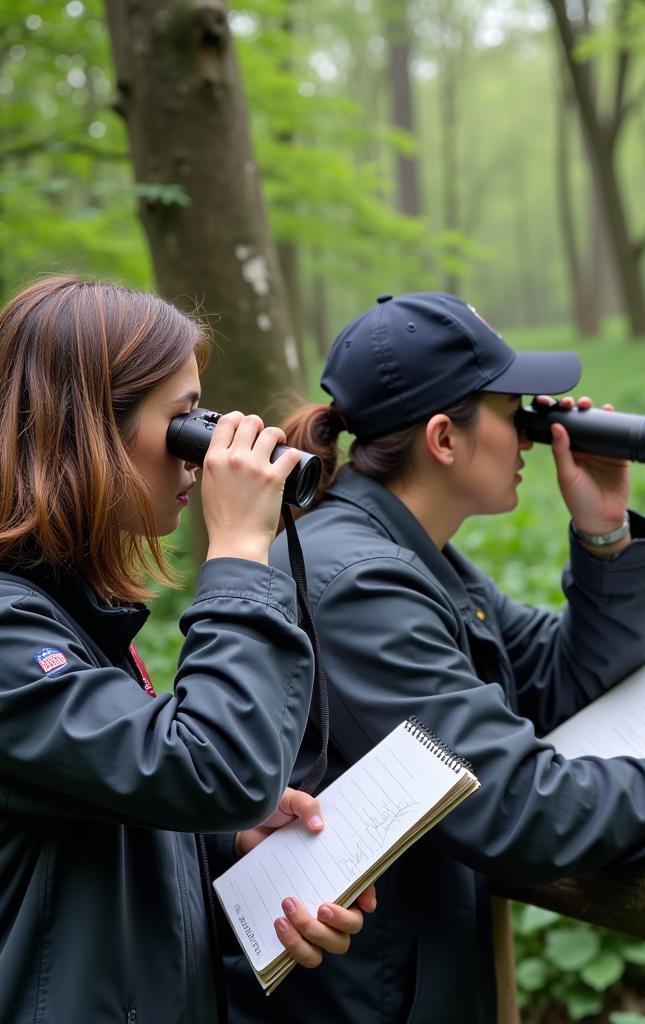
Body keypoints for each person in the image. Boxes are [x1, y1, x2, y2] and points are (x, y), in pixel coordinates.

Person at [224, 292, 645, 1023]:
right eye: (513, 410)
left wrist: (604, 533)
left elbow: (561, 682)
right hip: (364, 1000)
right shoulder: (359, 584)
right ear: (444, 440)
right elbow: (511, 807)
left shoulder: (411, 556)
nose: (530, 433)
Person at [0, 276, 373, 1024]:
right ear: (88, 433)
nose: (200, 453)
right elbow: (213, 766)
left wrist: (224, 844)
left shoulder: (69, 612)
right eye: (183, 422)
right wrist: (236, 552)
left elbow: (96, 806)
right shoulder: (12, 635)